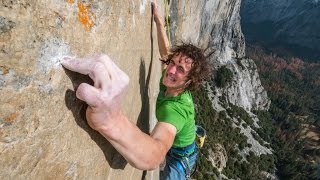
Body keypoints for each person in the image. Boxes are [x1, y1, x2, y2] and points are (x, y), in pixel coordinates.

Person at [61, 2, 211, 179]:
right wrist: (159, 22)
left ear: (189, 82)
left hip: (180, 158)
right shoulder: (174, 81)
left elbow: (154, 157)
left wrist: (111, 120)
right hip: (182, 142)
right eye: (173, 63)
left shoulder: (174, 111)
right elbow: (166, 54)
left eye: (180, 70)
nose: (171, 70)